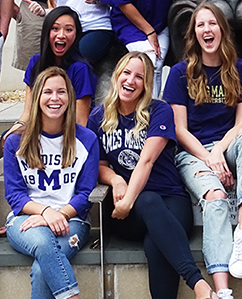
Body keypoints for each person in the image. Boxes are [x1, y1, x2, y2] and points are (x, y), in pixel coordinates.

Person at [88, 52, 214, 299]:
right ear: (116, 76)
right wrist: (116, 180)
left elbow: (146, 160)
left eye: (139, 76)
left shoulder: (160, 110)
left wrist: (128, 199)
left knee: (156, 242)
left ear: (147, 85)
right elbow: (99, 165)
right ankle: (200, 285)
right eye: (126, 73)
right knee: (147, 201)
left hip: (170, 200)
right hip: (127, 214)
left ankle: (198, 286)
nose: (131, 80)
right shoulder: (98, 117)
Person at [164, 2, 242, 295]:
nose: (207, 29)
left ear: (222, 30)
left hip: (227, 146)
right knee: (216, 196)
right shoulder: (180, 73)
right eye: (200, 25)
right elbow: (180, 130)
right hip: (192, 153)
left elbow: (241, 123)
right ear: (194, 33)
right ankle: (222, 291)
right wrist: (208, 158)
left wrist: (219, 153)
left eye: (212, 24)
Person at [4, 66, 99, 299]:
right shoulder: (16, 142)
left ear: (70, 97)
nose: (54, 98)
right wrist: (46, 212)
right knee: (45, 245)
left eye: (61, 92)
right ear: (37, 97)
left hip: (73, 220)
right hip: (25, 219)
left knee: (41, 267)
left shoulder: (86, 139)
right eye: (47, 92)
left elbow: (85, 193)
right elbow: (14, 194)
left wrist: (59, 214)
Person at [8, 7, 97, 141]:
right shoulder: (35, 62)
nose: (61, 35)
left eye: (68, 30)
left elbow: (80, 121)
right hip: (39, 129)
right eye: (55, 28)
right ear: (46, 31)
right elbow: (28, 112)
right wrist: (17, 127)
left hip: (67, 135)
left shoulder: (80, 68)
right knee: (9, 139)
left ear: (76, 35)